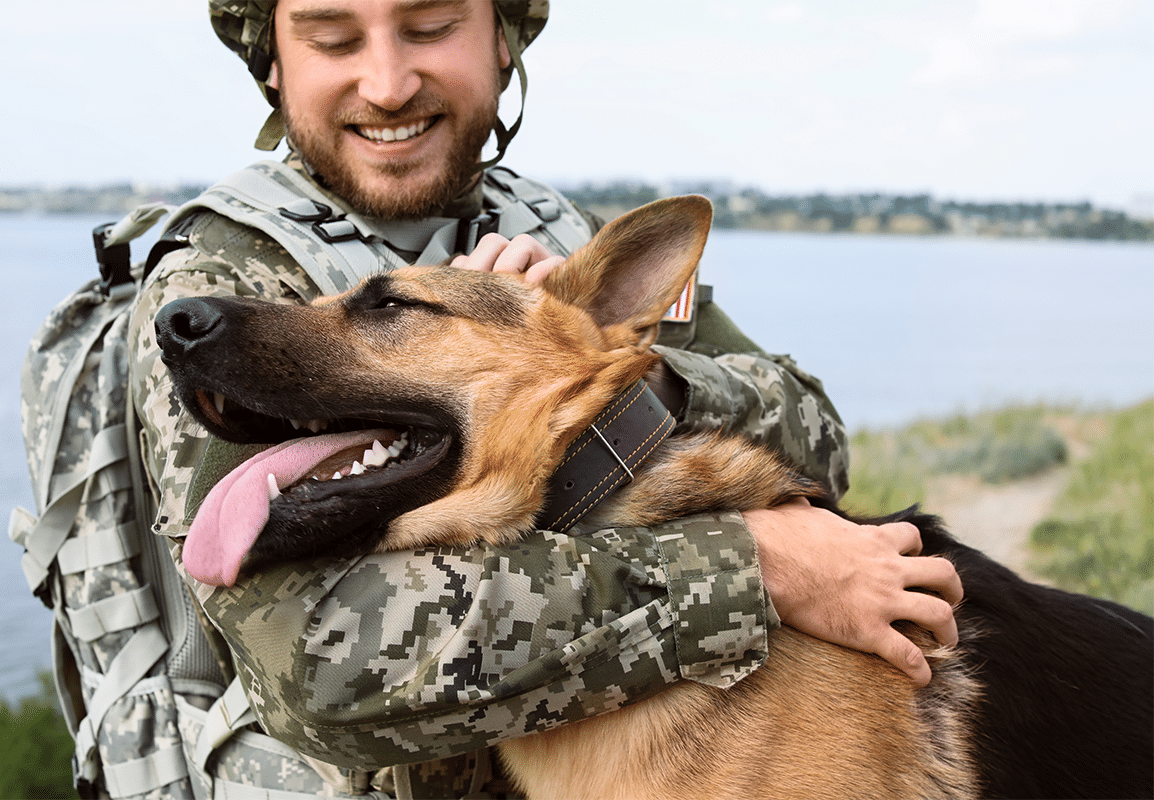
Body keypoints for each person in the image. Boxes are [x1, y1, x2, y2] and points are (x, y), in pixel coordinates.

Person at [128, 0, 962, 795]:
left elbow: (817, 438)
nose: (386, 84)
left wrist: (586, 363)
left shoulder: (563, 235)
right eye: (333, 40)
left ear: (502, 38)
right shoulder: (224, 286)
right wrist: (753, 567)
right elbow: (316, 667)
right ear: (272, 63)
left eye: (430, 26)